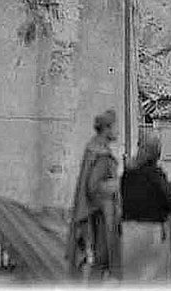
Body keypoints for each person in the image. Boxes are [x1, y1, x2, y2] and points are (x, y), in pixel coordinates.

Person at [66, 109, 122, 281]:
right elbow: (93, 186)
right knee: (101, 260)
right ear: (107, 128)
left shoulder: (95, 148)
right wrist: (117, 184)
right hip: (100, 216)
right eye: (115, 127)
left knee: (100, 262)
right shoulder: (100, 153)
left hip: (99, 213)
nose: (118, 131)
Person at [120, 130, 171, 281]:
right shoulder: (156, 175)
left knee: (130, 279)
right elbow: (170, 203)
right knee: (151, 279)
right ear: (156, 153)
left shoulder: (127, 174)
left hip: (127, 231)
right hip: (150, 232)